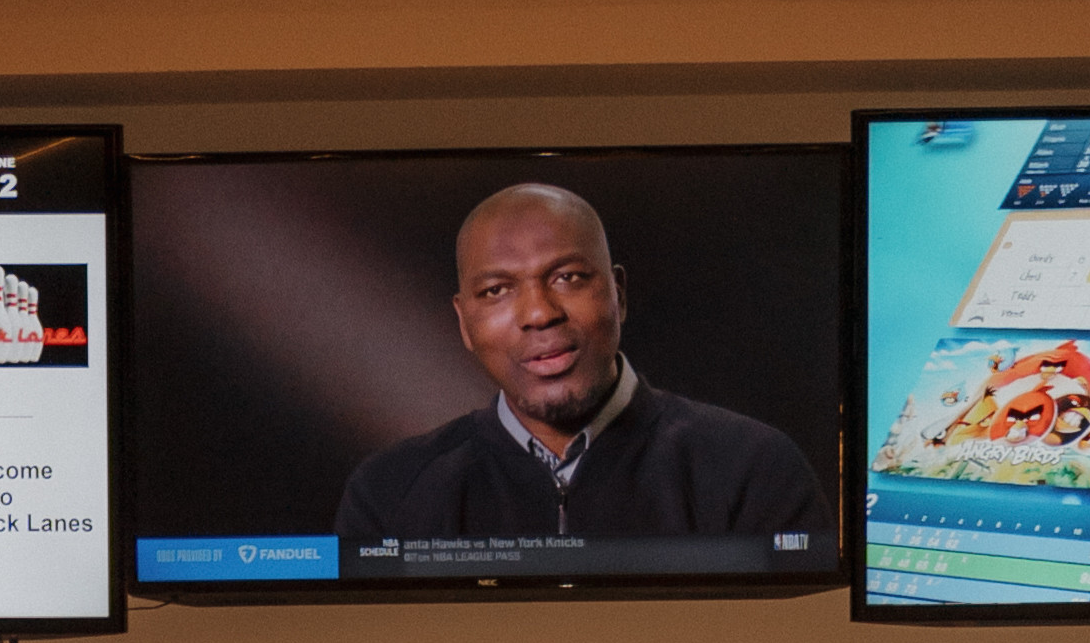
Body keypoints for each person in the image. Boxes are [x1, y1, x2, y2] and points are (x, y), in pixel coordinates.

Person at [335, 179, 829, 555]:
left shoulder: (754, 468)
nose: (539, 313)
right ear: (465, 324)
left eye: (568, 277)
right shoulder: (389, 492)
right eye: (497, 291)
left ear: (618, 293)